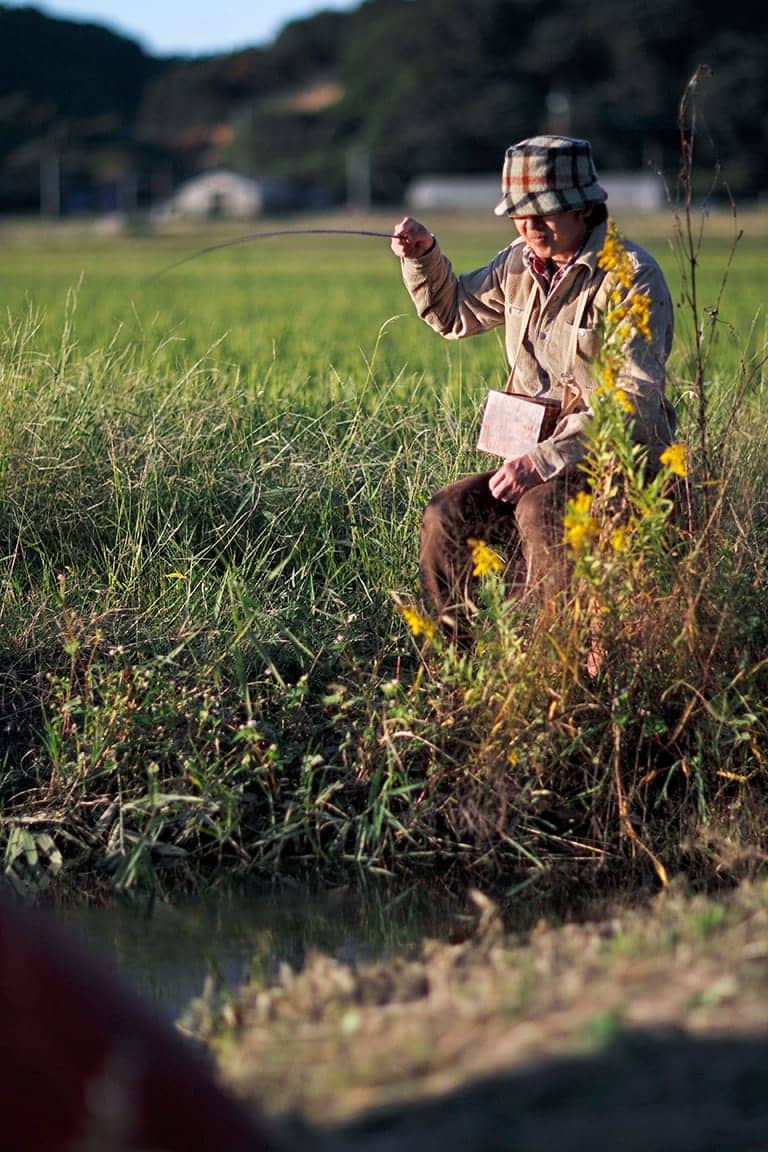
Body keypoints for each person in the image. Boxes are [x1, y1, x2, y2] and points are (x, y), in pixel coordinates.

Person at [391, 134, 676, 638]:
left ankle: (545, 659)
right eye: (520, 215)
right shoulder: (517, 263)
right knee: (446, 513)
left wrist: (540, 462)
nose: (530, 226)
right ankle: (462, 660)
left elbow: (632, 402)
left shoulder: (631, 276)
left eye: (545, 212)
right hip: (532, 464)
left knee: (540, 510)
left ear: (584, 209)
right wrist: (423, 256)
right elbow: (454, 313)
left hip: (615, 465)